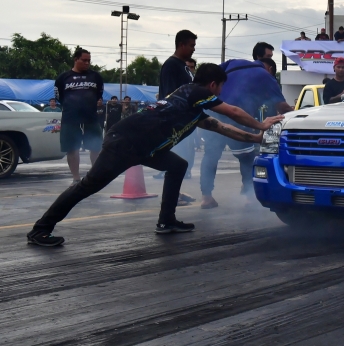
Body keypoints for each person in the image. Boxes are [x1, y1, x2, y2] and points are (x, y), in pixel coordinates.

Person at [25, 63, 285, 247]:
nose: (219, 95)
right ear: (214, 84)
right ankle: (41, 229)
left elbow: (222, 127)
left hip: (142, 146)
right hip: (125, 142)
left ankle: (167, 221)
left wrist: (255, 138)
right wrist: (261, 124)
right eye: (219, 90)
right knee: (88, 186)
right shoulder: (196, 92)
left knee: (177, 165)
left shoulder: (190, 105)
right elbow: (233, 112)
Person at [199, 45, 292, 209]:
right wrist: (295, 112)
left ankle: (206, 197)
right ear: (269, 68)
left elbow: (209, 77)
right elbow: (282, 106)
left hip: (212, 112)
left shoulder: (232, 63)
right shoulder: (266, 75)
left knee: (211, 156)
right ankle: (250, 196)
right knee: (247, 157)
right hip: (236, 116)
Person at [54, 48, 104, 185]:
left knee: (96, 146)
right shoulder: (63, 77)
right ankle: (76, 178)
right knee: (72, 148)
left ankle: (95, 176)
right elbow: (59, 96)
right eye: (84, 60)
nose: (87, 63)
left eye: (89, 60)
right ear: (76, 59)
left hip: (91, 116)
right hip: (71, 117)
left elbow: (99, 94)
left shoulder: (95, 77)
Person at [157, 30, 197, 180]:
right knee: (176, 157)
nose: (194, 48)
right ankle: (174, 195)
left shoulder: (183, 66)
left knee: (182, 158)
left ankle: (177, 192)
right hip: (173, 120)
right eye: (192, 45)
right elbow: (170, 94)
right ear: (182, 44)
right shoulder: (171, 65)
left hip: (184, 120)